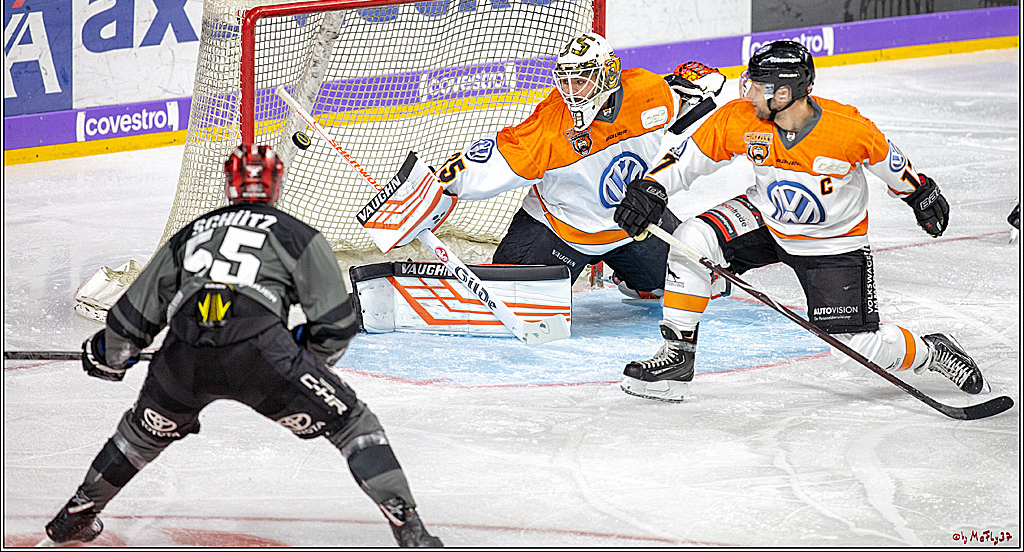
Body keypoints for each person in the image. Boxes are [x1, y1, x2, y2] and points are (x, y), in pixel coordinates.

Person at [43, 144, 442, 547]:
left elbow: (131, 320)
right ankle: (409, 528)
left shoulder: (191, 233)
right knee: (353, 425)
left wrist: (107, 357)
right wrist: (304, 357)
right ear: (277, 183)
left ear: (229, 184)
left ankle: (76, 513)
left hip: (183, 356)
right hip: (263, 356)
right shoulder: (297, 234)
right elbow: (337, 326)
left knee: (138, 437)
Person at [612, 39, 986, 402]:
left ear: (785, 93)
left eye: (759, 87)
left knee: (855, 348)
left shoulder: (846, 129)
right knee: (693, 238)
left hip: (833, 245)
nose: (750, 93)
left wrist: (921, 194)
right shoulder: (740, 119)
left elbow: (895, 167)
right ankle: (678, 354)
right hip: (765, 219)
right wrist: (652, 188)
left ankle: (930, 352)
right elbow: (687, 159)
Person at [435, 31, 727, 298]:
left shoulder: (648, 92)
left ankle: (635, 276)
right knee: (513, 300)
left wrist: (699, 83)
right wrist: (436, 183)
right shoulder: (549, 127)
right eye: (565, 81)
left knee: (685, 282)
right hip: (560, 230)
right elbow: (486, 161)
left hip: (629, 223)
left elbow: (687, 98)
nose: (571, 92)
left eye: (581, 81)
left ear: (608, 77)